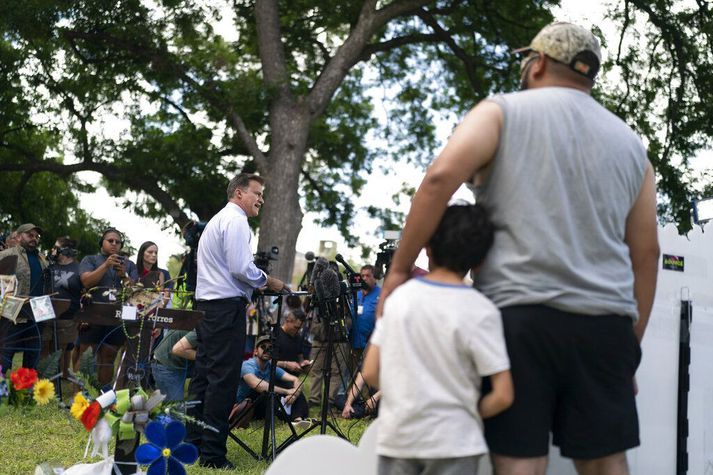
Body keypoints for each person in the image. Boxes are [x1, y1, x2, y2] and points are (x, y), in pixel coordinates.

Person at [379, 22, 660, 475]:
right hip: (604, 325)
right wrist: (632, 346)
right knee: (606, 463)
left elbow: (438, 180)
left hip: (517, 320)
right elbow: (646, 255)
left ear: (539, 63)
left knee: (519, 465)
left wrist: (398, 273)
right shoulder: (632, 147)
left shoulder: (501, 112)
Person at [363, 204, 513, 475]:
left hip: (400, 437)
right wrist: (466, 412)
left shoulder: (399, 300)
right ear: (480, 260)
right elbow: (503, 395)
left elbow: (372, 371)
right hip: (457, 442)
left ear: (428, 248)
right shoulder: (483, 311)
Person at [185, 173, 287, 470]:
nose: (261, 199)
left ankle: (193, 442)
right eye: (258, 193)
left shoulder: (218, 220)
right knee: (222, 380)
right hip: (224, 309)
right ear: (239, 193)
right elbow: (241, 267)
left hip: (208, 306)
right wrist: (270, 282)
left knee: (203, 376)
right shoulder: (237, 221)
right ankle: (213, 454)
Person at [77, 228, 138, 386]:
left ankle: (102, 394)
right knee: (86, 357)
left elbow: (135, 292)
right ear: (101, 243)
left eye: (117, 242)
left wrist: (123, 275)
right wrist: (106, 265)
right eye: (110, 241)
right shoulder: (90, 260)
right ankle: (79, 395)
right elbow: (86, 282)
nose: (114, 244)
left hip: (117, 317)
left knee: (108, 357)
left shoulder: (129, 265)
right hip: (93, 315)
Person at [0, 223, 48, 372]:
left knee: (32, 361)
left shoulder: (42, 259)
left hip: (37, 315)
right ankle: (3, 392)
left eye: (36, 236)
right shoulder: (7, 255)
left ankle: (25, 393)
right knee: (5, 359)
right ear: (19, 236)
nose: (34, 239)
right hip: (12, 315)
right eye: (30, 235)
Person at [235, 335, 309, 426]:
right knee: (268, 392)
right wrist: (287, 391)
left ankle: (298, 419)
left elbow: (295, 379)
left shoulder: (270, 366)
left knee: (290, 385)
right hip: (247, 406)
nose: (267, 350)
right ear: (255, 351)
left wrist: (293, 394)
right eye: (263, 347)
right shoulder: (247, 365)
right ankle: (289, 417)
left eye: (270, 348)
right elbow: (257, 385)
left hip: (264, 404)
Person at [43, 236, 82, 378]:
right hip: (46, 313)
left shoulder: (79, 269)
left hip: (68, 317)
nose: (52, 250)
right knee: (44, 347)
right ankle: (43, 379)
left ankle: (56, 381)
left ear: (64, 251)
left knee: (59, 351)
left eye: (56, 248)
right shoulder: (49, 265)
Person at [151, 329, 197, 401]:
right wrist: (203, 356)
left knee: (171, 405)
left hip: (172, 364)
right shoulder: (200, 331)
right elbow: (178, 349)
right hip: (166, 365)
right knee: (174, 407)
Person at [351, 264, 380, 368]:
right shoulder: (355, 293)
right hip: (353, 343)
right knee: (351, 377)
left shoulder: (381, 294)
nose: (365, 279)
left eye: (368, 276)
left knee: (366, 376)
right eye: (362, 276)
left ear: (374, 277)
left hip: (371, 344)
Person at [275, 308, 311, 374]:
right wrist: (286, 364)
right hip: (277, 376)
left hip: (293, 377)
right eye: (296, 327)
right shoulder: (275, 335)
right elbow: (267, 362)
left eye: (300, 328)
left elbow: (299, 354)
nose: (297, 330)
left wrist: (302, 363)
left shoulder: (298, 337)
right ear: (288, 321)